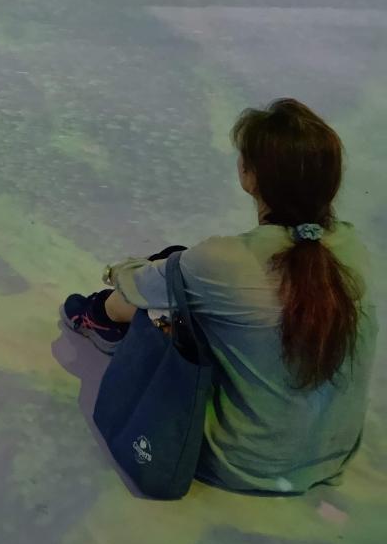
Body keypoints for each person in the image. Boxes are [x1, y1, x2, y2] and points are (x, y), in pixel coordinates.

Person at [62, 98, 378, 494]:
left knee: (169, 284)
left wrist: (116, 270)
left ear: (249, 176)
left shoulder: (224, 260)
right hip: (332, 458)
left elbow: (137, 284)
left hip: (240, 464)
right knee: (192, 283)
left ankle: (98, 317)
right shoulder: (352, 249)